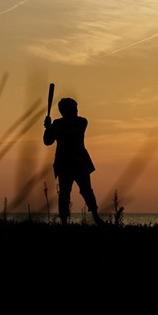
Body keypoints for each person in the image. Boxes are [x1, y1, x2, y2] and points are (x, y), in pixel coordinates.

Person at [44, 97, 105, 226]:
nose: (76, 111)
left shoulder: (82, 122)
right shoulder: (57, 124)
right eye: (73, 109)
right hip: (64, 164)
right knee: (64, 194)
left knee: (87, 190)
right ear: (64, 111)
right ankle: (64, 222)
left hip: (80, 163)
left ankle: (96, 217)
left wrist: (52, 128)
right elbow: (47, 141)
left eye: (76, 109)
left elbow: (70, 133)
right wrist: (48, 128)